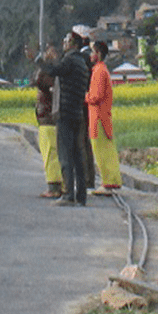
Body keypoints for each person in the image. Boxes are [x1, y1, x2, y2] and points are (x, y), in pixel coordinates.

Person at [50, 28, 92, 206]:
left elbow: (53, 70)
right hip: (77, 113)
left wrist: (42, 59)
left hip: (65, 113)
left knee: (65, 154)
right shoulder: (82, 63)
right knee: (77, 156)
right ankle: (81, 195)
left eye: (66, 41)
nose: (63, 44)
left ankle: (68, 194)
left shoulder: (69, 60)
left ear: (73, 44)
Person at [87, 39, 121, 195]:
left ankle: (108, 182)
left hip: (98, 117)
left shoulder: (99, 71)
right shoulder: (102, 70)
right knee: (105, 150)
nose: (91, 55)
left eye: (93, 52)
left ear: (98, 54)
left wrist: (85, 96)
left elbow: (96, 96)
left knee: (101, 151)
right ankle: (110, 181)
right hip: (101, 116)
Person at [29, 41, 63, 198]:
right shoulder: (54, 73)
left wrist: (39, 63)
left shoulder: (49, 74)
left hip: (48, 119)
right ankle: (58, 184)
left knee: (50, 153)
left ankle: (54, 186)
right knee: (52, 152)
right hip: (47, 118)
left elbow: (39, 83)